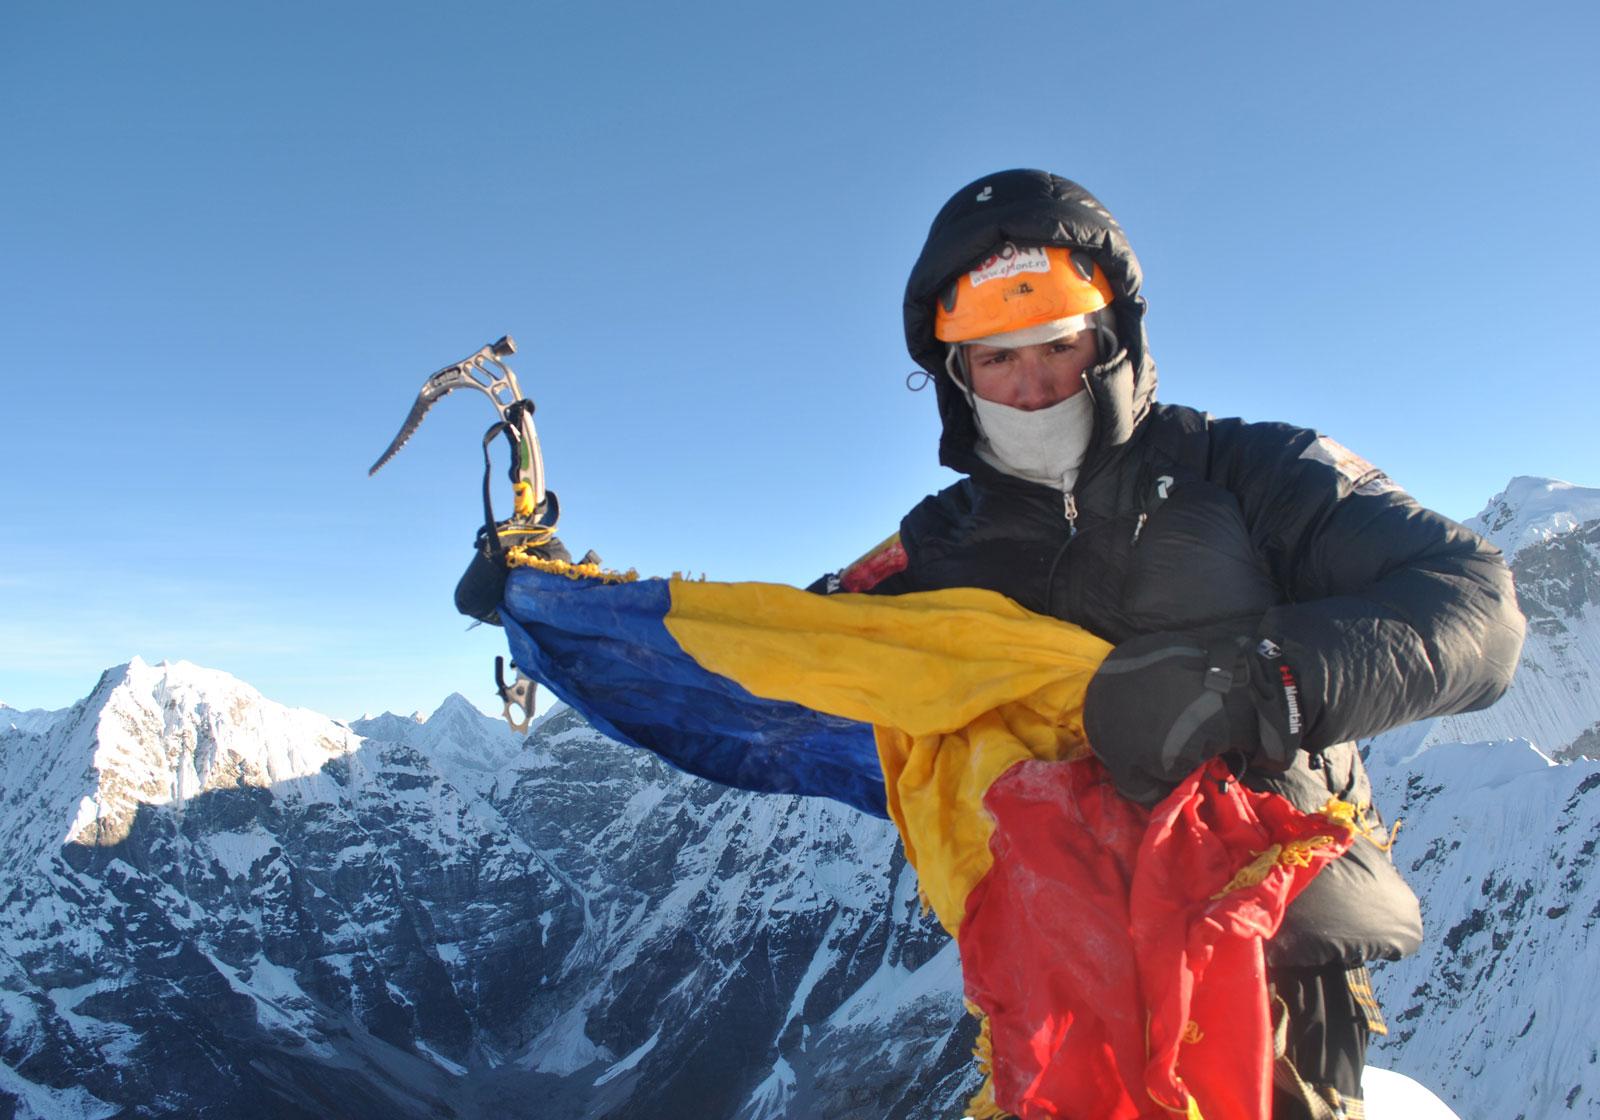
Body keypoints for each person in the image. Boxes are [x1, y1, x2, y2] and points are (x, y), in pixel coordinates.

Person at [810, 169, 1526, 1118]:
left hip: (1268, 959)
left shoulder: (1249, 470)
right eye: (994, 360)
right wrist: (573, 603)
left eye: (1057, 347)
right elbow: (805, 645)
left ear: (1112, 341)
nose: (1030, 391)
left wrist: (1251, 683)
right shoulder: (939, 544)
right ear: (954, 378)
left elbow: (1478, 606)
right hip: (1066, 983)